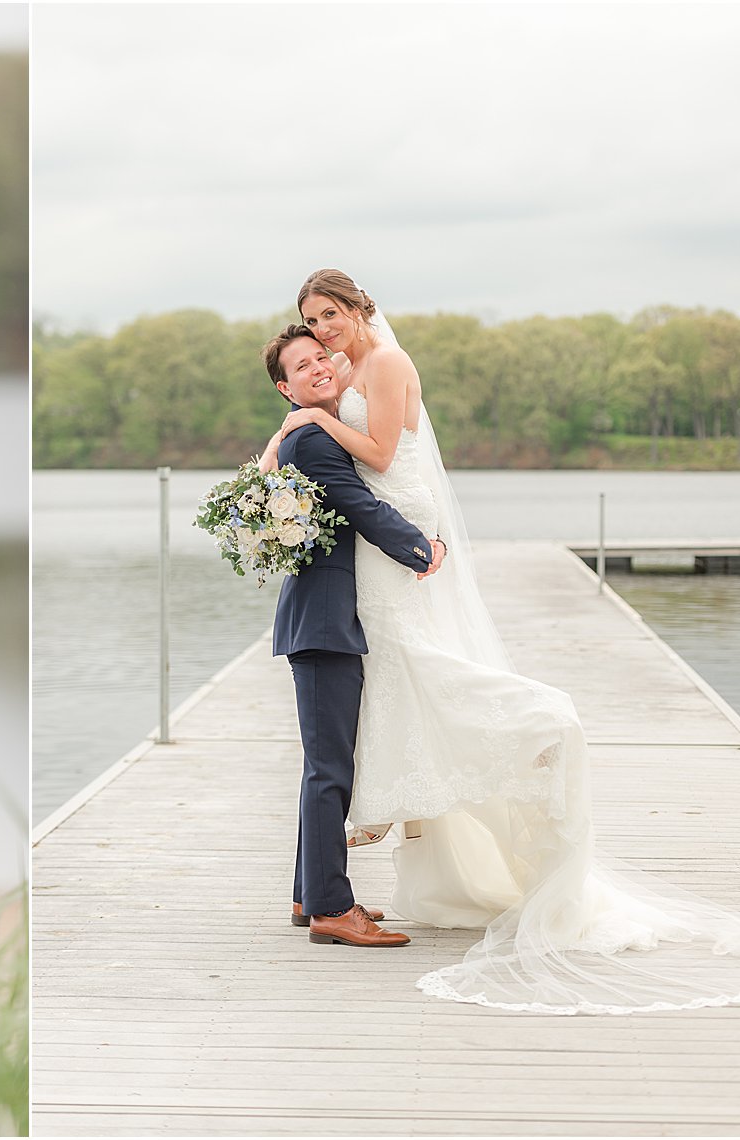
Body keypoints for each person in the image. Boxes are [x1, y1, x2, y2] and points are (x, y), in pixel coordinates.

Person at [259, 270, 740, 1013]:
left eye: (330, 316)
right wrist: (307, 434)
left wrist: (306, 427)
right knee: (341, 746)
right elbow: (348, 480)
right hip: (352, 591)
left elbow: (373, 457)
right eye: (312, 321)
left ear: (356, 310)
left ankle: (320, 891)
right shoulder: (329, 390)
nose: (323, 333)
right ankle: (322, 898)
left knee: (365, 724)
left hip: (374, 575)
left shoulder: (375, 368)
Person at [261, 323, 445, 948]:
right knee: (329, 768)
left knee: (325, 764)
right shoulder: (312, 442)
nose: (317, 368)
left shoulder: (315, 431)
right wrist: (422, 547)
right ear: (286, 389)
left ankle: (307, 891)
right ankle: (332, 911)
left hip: (332, 618)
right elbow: (359, 508)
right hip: (324, 622)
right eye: (301, 367)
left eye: (321, 357)